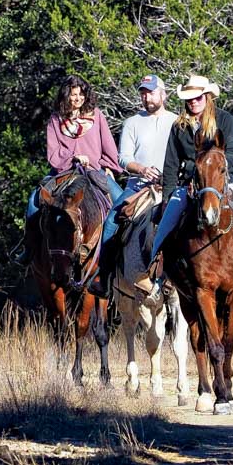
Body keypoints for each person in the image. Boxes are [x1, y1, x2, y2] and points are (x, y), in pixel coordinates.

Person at [134, 75, 233, 300]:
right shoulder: (179, 126)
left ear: (207, 97)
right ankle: (155, 276)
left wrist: (216, 167)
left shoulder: (224, 119)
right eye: (189, 99)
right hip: (189, 185)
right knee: (165, 224)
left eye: (197, 97)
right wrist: (167, 199)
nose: (193, 102)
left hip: (223, 182)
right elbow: (170, 165)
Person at [14, 74, 123, 265]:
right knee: (33, 202)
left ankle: (120, 252)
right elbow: (53, 153)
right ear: (66, 95)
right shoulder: (56, 120)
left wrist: (108, 167)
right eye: (74, 94)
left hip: (93, 171)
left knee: (123, 202)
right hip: (63, 171)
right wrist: (71, 158)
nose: (78, 98)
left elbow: (109, 146)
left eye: (81, 94)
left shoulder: (96, 115)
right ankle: (29, 248)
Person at [88, 74, 178, 298]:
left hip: (171, 187)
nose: (147, 97)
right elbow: (123, 158)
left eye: (151, 92)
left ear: (163, 94)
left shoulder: (177, 121)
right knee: (111, 221)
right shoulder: (132, 123)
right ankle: (104, 277)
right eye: (143, 93)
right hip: (139, 186)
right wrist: (142, 169)